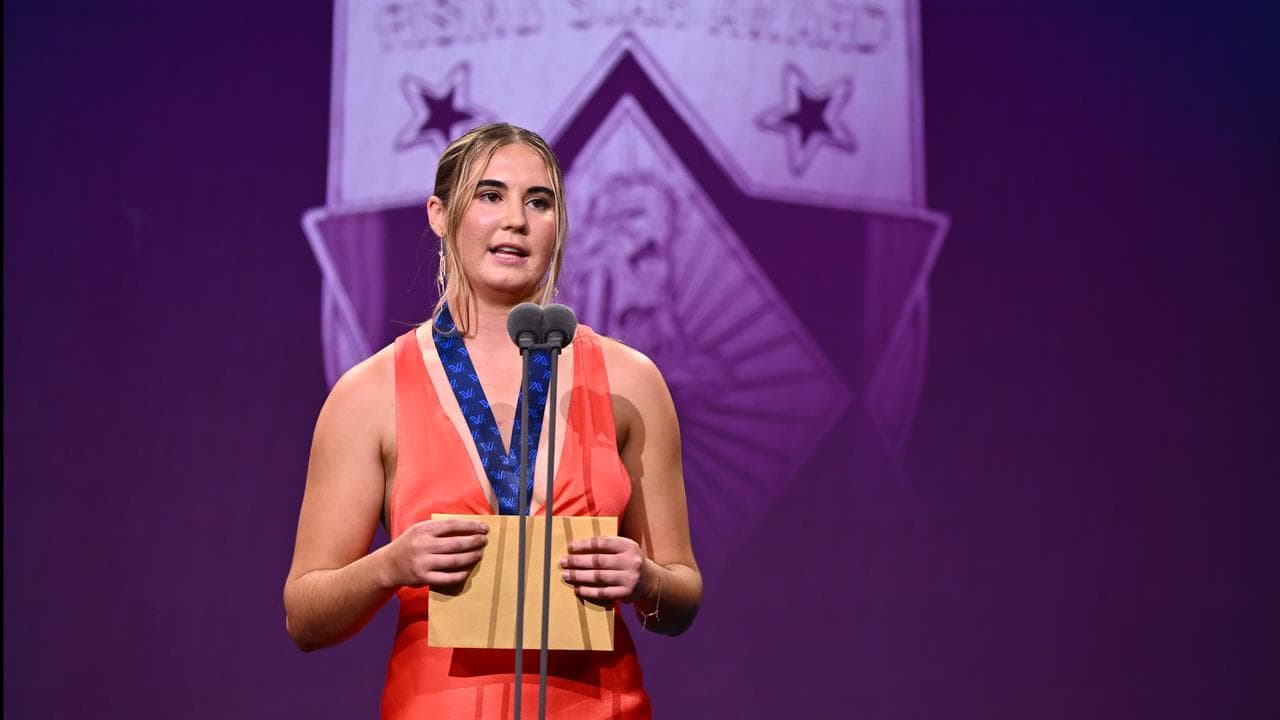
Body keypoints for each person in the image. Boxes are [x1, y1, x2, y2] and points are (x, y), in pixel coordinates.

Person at [283, 122, 702, 718]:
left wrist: (648, 581)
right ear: (439, 213)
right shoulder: (369, 394)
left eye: (540, 202)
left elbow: (681, 599)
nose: (516, 220)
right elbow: (305, 615)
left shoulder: (631, 382)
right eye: (490, 195)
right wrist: (392, 565)